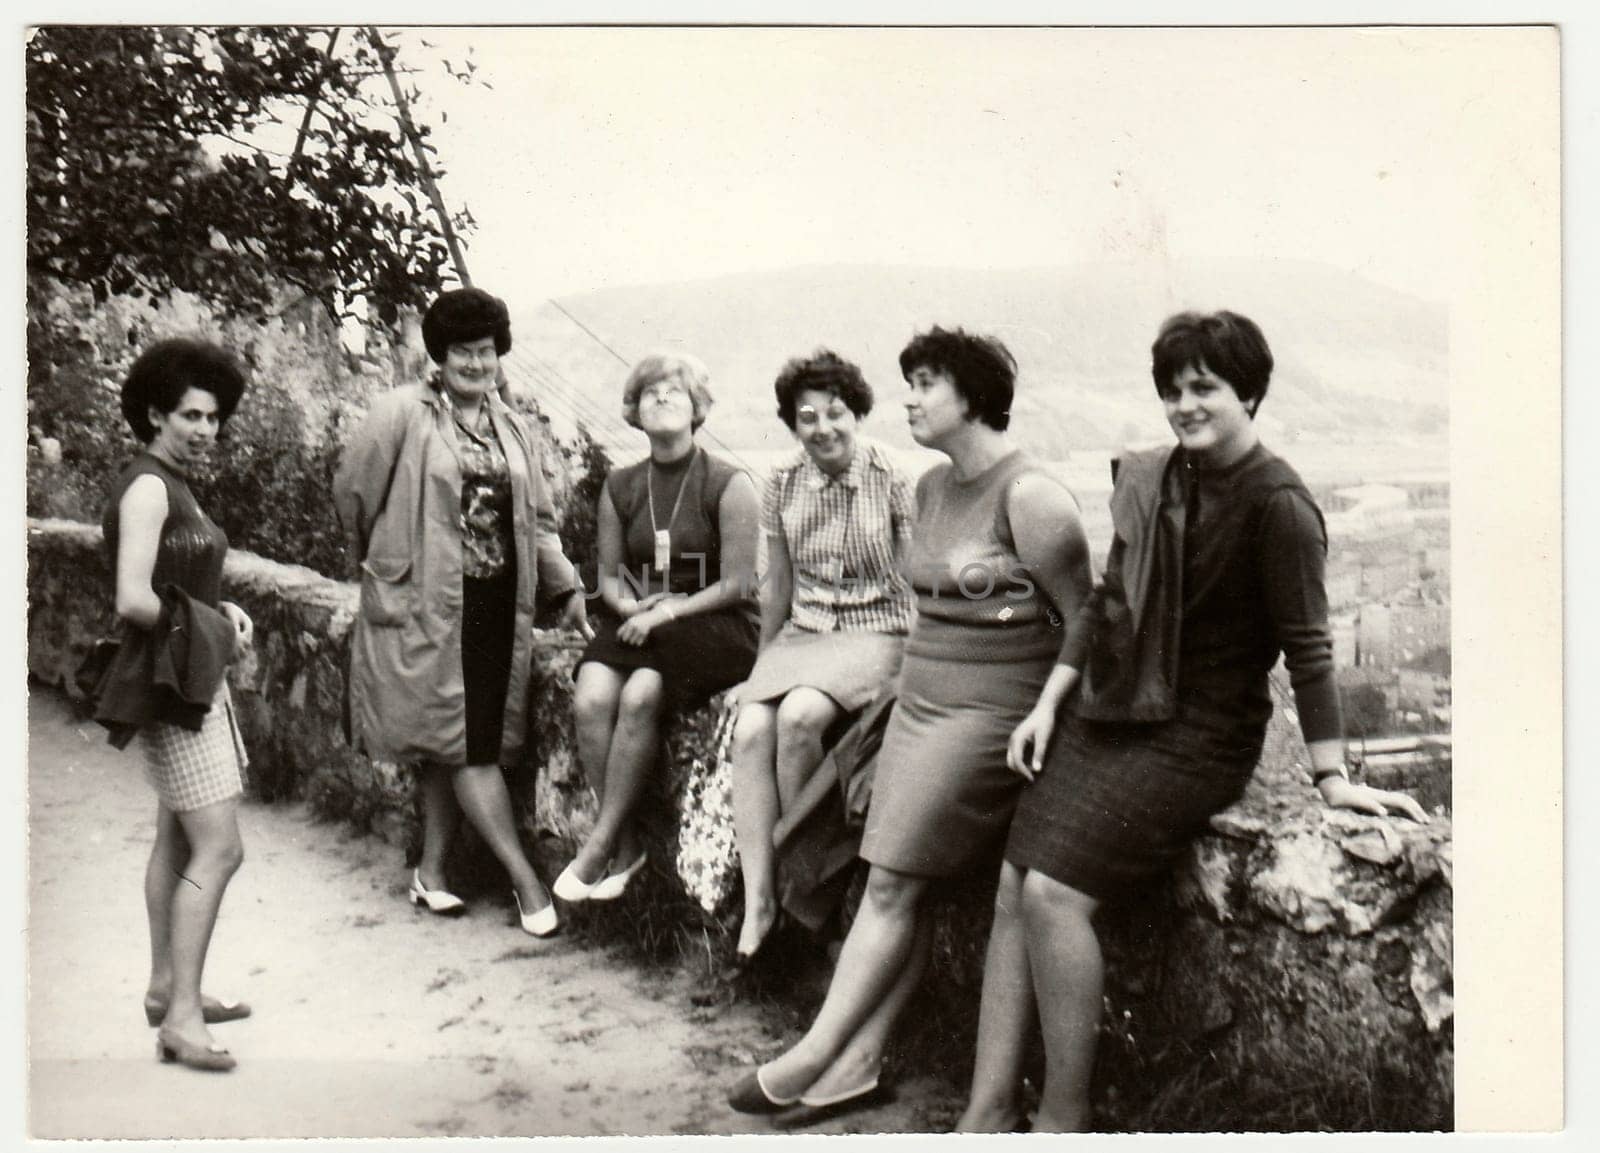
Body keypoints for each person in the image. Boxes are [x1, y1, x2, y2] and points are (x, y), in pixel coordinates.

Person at [956, 311, 1431, 1133]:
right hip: (1117, 708)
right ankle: (986, 1108)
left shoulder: (1278, 504)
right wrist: (1048, 703)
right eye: (1172, 390)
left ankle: (1061, 1119)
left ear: (1249, 391)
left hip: (1201, 731)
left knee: (1055, 894)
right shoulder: (1158, 477)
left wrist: (1332, 777)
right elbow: (1108, 605)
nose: (1184, 404)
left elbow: (1310, 649)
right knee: (1012, 884)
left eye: (1204, 387)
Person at [728, 326, 1092, 1119]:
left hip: (989, 711)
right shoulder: (930, 488)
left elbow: (1085, 619)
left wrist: (1045, 711)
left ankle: (814, 1050)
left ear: (974, 396)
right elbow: (916, 608)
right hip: (918, 701)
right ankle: (857, 1060)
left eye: (926, 383)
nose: (910, 399)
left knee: (892, 877)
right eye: (911, 383)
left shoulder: (1032, 496)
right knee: (892, 871)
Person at [334, 287, 592, 940]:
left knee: (454, 741)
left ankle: (432, 870)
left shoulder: (512, 428)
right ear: (440, 357)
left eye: (487, 351)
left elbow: (538, 522)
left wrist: (567, 591)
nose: (477, 363)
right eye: (462, 352)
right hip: (423, 605)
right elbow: (354, 496)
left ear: (500, 355)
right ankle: (527, 881)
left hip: (497, 604)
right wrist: (383, 566)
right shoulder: (400, 413)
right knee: (468, 745)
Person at [97, 339, 255, 1072]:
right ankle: (184, 1018)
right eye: (190, 414)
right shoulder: (151, 486)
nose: (204, 428)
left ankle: (167, 988)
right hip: (172, 686)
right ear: (155, 412)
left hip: (184, 674)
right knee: (221, 847)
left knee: (179, 841)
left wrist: (217, 609)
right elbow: (132, 598)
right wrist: (214, 624)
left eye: (214, 416)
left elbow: (170, 580)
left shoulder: (172, 482)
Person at [728, 350, 916, 965]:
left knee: (801, 718)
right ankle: (760, 902)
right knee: (753, 726)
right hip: (806, 633)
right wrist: (760, 670)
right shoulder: (781, 479)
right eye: (807, 418)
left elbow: (917, 578)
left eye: (835, 414)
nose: (823, 428)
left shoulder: (891, 474)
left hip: (878, 629)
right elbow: (777, 584)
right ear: (793, 425)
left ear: (855, 413)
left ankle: (804, 898)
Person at [555, 352, 761, 903]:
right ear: (634, 411)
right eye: (650, 392)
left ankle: (600, 847)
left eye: (675, 391)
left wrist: (667, 611)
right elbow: (609, 576)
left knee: (643, 693)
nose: (662, 398)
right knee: (591, 696)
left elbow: (741, 583)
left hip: (716, 624)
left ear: (697, 410)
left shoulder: (728, 482)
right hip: (643, 620)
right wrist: (632, 612)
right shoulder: (621, 486)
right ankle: (626, 848)